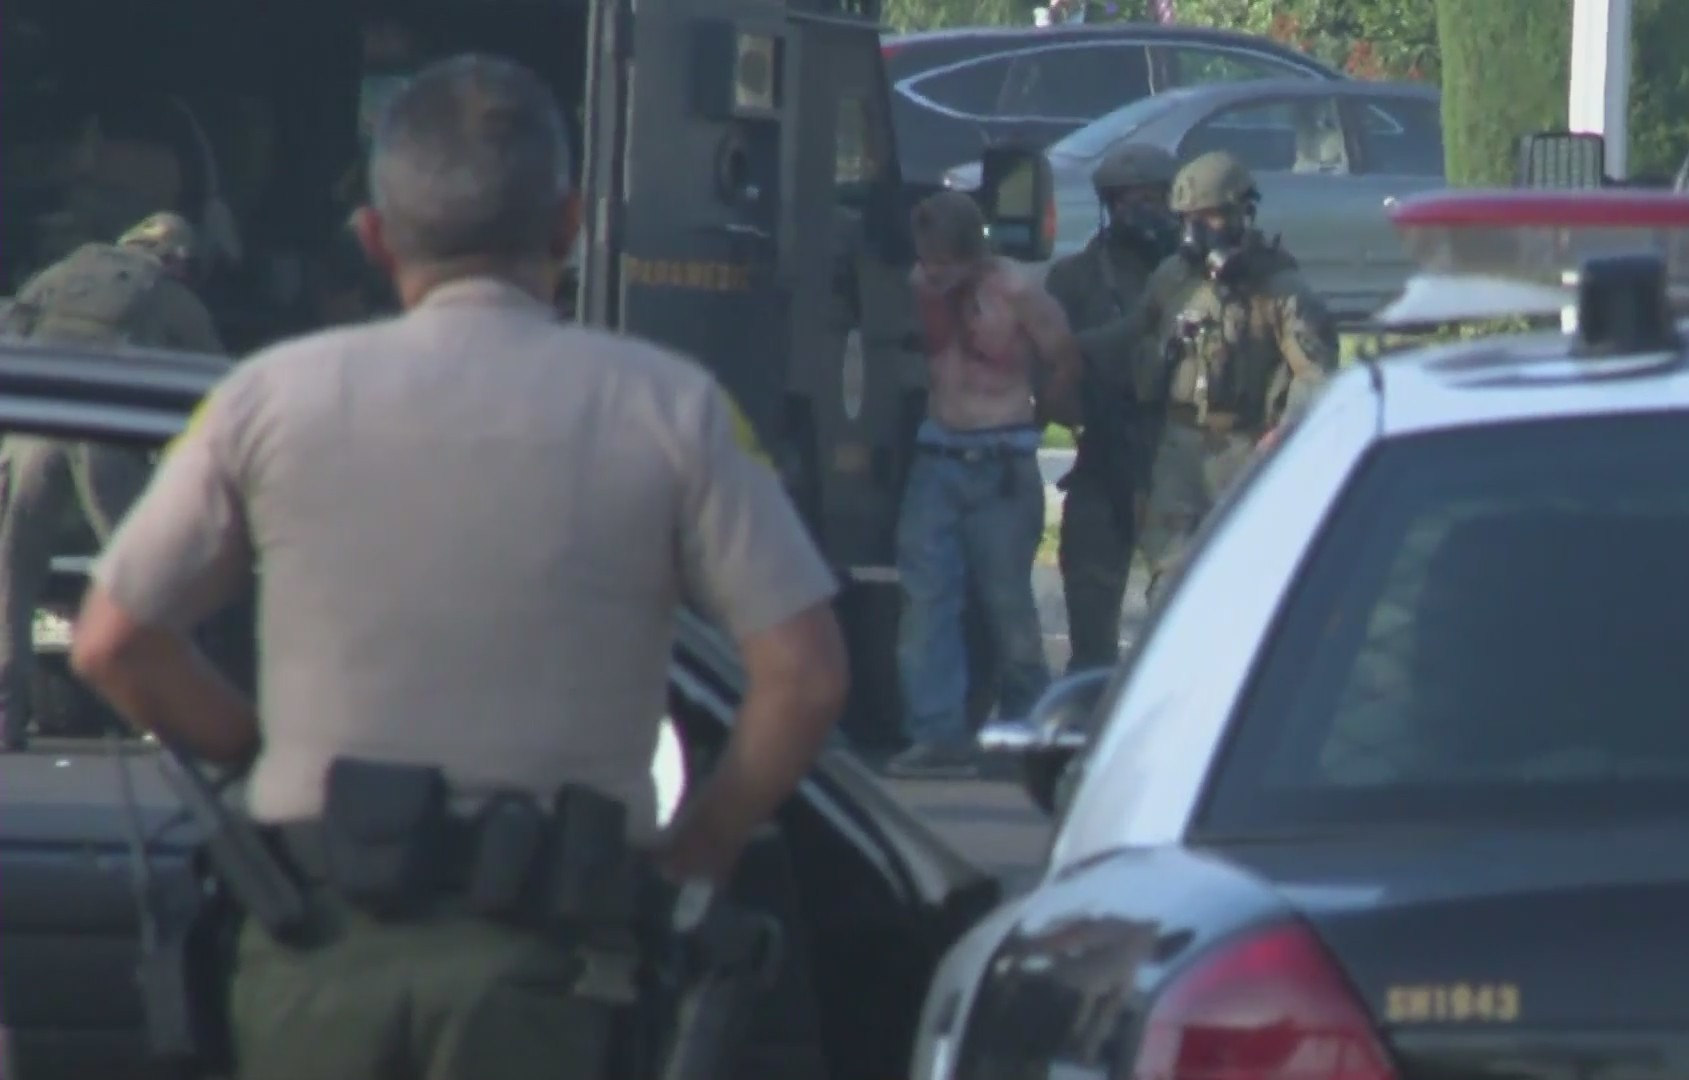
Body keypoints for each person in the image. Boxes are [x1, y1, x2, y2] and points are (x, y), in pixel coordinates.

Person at [69, 55, 849, 1080]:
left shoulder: (268, 398)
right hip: (552, 974)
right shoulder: (670, 408)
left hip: (312, 960)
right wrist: (698, 844)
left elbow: (113, 640)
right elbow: (806, 675)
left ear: (377, 238)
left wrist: (252, 749)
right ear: (568, 228)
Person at [0, 211, 226, 752]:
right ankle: (165, 713)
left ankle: (5, 719)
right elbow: (222, 386)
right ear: (178, 260)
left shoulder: (60, 274)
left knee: (12, 575)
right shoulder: (166, 293)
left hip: (31, 436)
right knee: (139, 574)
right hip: (101, 439)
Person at [1076, 150, 1340, 602]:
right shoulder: (1173, 277)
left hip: (1247, 445)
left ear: (1242, 213)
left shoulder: (1278, 287)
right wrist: (1066, 346)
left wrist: (1281, 436)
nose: (1195, 231)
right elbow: (1130, 332)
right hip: (1180, 448)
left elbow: (1314, 372)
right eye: (1186, 219)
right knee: (1169, 585)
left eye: (1209, 218)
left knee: (1251, 584)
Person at [887, 189, 1082, 779]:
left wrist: (1037, 418)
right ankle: (938, 734)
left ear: (972, 252)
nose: (934, 270)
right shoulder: (915, 289)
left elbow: (1066, 356)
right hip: (937, 458)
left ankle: (1028, 730)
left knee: (1007, 606)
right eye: (927, 257)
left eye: (944, 259)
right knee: (926, 604)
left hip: (1001, 465)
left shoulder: (1016, 292)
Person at [1043, 143, 1179, 673]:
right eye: (1128, 200)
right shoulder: (1074, 279)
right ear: (1108, 205)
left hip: (1174, 460)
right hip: (1103, 457)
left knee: (1181, 615)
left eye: (1154, 198)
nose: (1142, 211)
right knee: (1092, 618)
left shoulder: (1194, 277)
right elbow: (1053, 369)